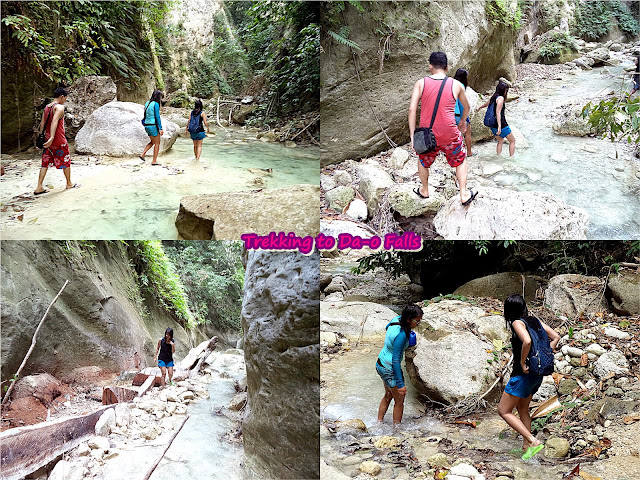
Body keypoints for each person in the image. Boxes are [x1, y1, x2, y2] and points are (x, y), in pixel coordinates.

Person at [409, 51, 477, 206]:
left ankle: (424, 190)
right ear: (447, 67)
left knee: (423, 160)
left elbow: (412, 109)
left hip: (428, 135)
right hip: (449, 133)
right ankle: (464, 194)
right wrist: (462, 123)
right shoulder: (456, 84)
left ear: (430, 66)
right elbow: (467, 107)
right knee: (460, 160)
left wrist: (413, 135)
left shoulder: (421, 83)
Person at [498, 294, 560, 460]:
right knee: (523, 409)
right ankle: (526, 449)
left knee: (503, 411)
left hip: (522, 374)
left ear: (508, 310)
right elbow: (555, 337)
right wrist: (547, 353)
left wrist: (524, 361)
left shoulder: (517, 322)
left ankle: (532, 441)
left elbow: (526, 341)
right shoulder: (534, 321)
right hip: (536, 375)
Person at [376, 304, 423, 426]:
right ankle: (397, 429)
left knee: (388, 394)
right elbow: (396, 360)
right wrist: (401, 385)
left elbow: (387, 327)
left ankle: (379, 422)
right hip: (389, 367)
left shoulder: (396, 319)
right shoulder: (402, 336)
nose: (418, 324)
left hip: (380, 363)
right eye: (417, 321)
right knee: (399, 400)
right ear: (408, 319)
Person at [34, 87, 78, 195]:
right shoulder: (59, 107)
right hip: (58, 139)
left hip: (46, 141)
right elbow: (54, 121)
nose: (65, 101)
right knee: (66, 160)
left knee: (45, 163)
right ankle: (69, 183)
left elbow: (42, 124)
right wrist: (52, 137)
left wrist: (43, 137)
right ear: (62, 97)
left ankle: (39, 187)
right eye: (65, 98)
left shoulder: (47, 107)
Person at [478, 81, 516, 157]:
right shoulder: (500, 98)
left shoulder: (493, 97)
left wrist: (479, 108)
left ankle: (498, 156)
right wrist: (499, 127)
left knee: (500, 141)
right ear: (503, 90)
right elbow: (498, 112)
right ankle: (511, 157)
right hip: (501, 124)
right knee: (512, 141)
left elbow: (486, 104)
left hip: (493, 125)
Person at [453, 68, 476, 157]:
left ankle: (454, 154)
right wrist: (465, 118)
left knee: (454, 137)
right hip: (459, 114)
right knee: (467, 134)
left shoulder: (451, 85)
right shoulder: (461, 86)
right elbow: (461, 104)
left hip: (450, 114)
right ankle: (469, 152)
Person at [139, 90, 164, 166]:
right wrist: (160, 128)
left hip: (147, 125)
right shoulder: (155, 104)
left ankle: (142, 154)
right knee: (157, 143)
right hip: (153, 125)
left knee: (152, 142)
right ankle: (154, 161)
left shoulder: (147, 103)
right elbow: (157, 116)